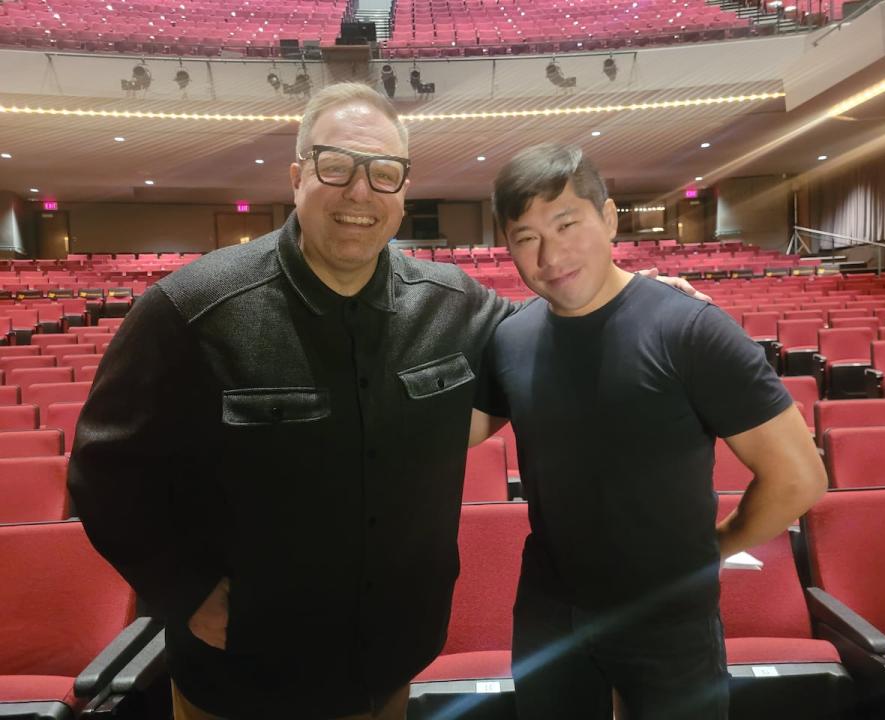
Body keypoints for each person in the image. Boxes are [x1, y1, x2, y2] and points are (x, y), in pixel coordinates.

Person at [67, 84, 704, 720]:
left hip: (390, 661)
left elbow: (554, 335)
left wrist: (633, 304)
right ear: (297, 177)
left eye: (384, 174)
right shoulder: (192, 310)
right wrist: (184, 590)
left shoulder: (454, 303)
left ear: (402, 194)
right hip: (244, 674)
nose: (360, 192)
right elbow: (106, 468)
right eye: (336, 166)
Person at [470, 144, 827, 720]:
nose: (551, 253)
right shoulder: (513, 338)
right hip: (550, 608)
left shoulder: (687, 326)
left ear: (609, 219)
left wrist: (714, 548)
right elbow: (451, 432)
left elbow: (798, 477)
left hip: (668, 613)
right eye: (525, 237)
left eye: (567, 223)